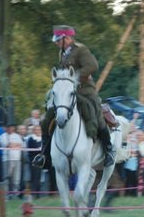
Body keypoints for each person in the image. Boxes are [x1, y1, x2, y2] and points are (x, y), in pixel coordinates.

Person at [32, 25, 114, 169]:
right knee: (47, 119)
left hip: (85, 91)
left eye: (59, 40)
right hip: (66, 94)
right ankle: (44, 155)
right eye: (56, 41)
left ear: (67, 38)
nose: (57, 43)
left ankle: (109, 151)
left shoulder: (81, 50)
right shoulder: (62, 53)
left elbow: (93, 66)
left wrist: (74, 78)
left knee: (97, 114)